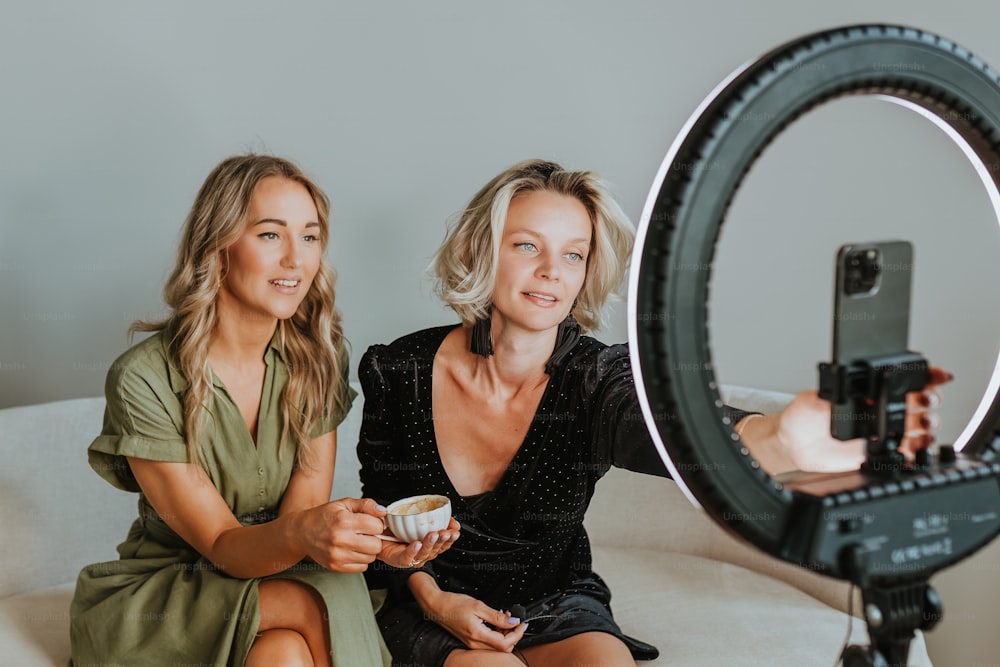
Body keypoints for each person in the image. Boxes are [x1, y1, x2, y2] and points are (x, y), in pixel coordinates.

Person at [357, 159, 948, 667]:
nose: (551, 272)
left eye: (574, 254)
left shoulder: (594, 378)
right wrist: (436, 601)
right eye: (527, 245)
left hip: (557, 599)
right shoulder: (399, 369)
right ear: (484, 251)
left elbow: (685, 431)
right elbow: (384, 510)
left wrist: (788, 440)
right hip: (433, 603)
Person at [69, 154, 457, 667]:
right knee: (321, 598)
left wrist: (366, 543)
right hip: (171, 595)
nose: (296, 260)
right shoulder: (143, 378)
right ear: (219, 246)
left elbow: (298, 523)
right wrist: (306, 535)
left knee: (284, 654)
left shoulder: (318, 356)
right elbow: (225, 547)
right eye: (271, 235)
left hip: (277, 575)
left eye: (311, 237)